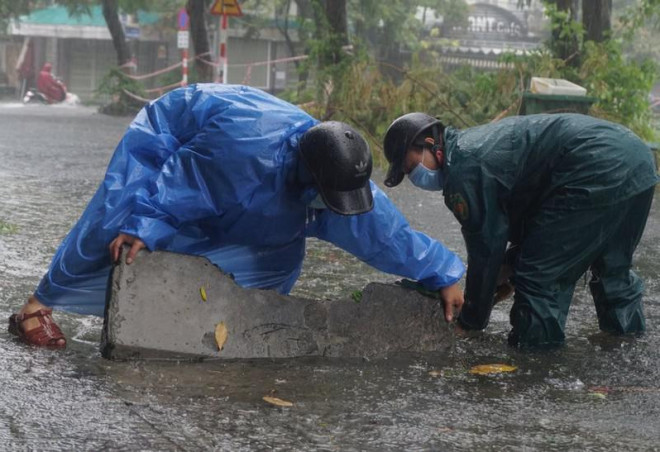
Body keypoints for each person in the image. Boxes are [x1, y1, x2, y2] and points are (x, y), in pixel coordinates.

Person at [9, 84, 465, 348]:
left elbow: (385, 236)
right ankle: (37, 305)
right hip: (177, 137)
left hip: (259, 191)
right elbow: (186, 180)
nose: (336, 209)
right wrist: (144, 223)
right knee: (117, 219)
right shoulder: (244, 156)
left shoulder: (339, 176)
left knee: (276, 263)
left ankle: (218, 321)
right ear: (310, 177)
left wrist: (443, 272)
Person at [383, 112, 659, 347]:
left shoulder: (464, 168)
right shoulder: (475, 148)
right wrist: (509, 267)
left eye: (411, 166)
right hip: (637, 160)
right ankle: (626, 346)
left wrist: (472, 319)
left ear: (432, 144)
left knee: (539, 279)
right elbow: (538, 223)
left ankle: (536, 366)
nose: (414, 176)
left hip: (593, 166)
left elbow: (486, 245)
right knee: (612, 267)